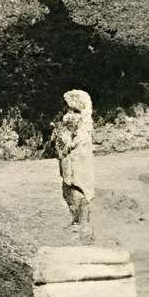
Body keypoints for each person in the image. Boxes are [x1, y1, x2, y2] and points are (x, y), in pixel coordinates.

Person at [51, 89, 96, 234]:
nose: (70, 114)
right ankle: (75, 220)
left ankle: (82, 223)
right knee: (67, 189)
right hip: (67, 156)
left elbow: (81, 135)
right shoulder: (68, 119)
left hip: (77, 155)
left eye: (75, 110)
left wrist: (70, 144)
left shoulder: (84, 124)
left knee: (79, 187)